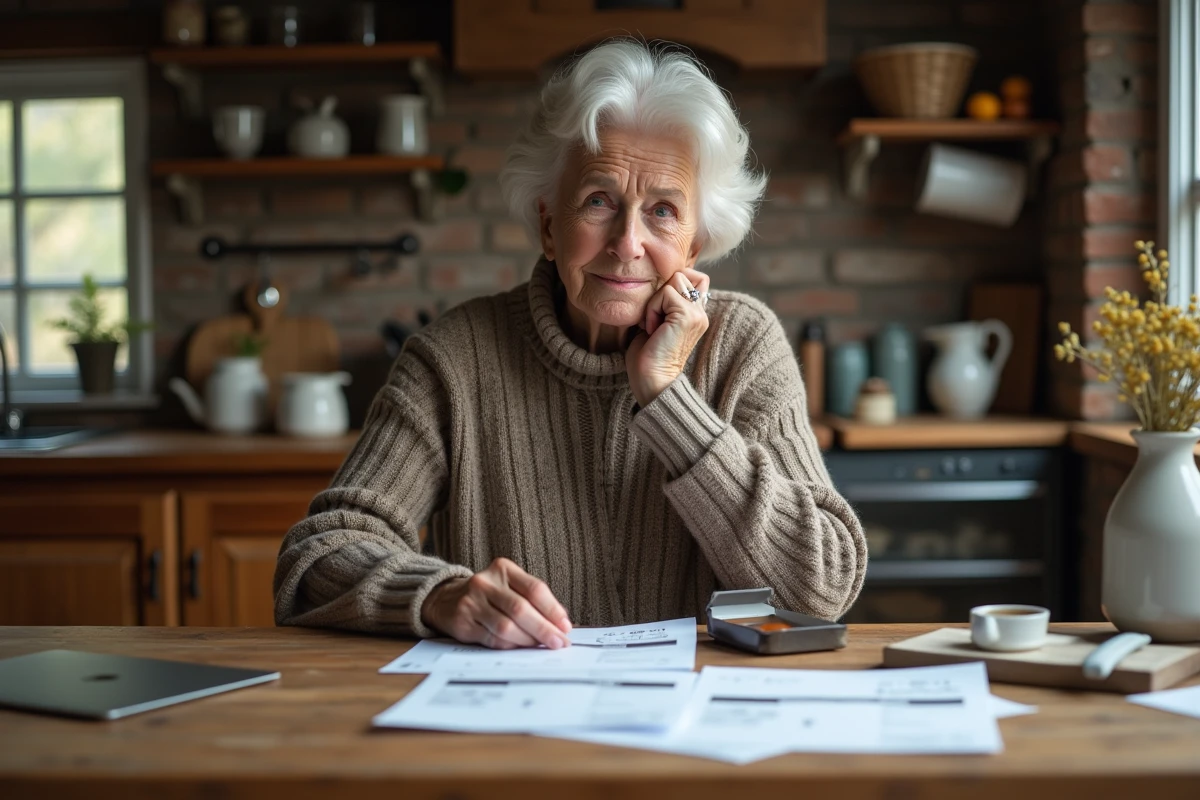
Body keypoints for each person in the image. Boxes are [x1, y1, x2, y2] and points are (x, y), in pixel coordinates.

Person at [274, 39, 866, 650]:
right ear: (549, 226)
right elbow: (316, 557)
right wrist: (438, 595)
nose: (627, 242)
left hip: (697, 703)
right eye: (598, 201)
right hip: (511, 702)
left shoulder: (741, 346)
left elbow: (819, 589)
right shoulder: (453, 359)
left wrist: (669, 398)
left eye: (663, 211)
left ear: (694, 246)